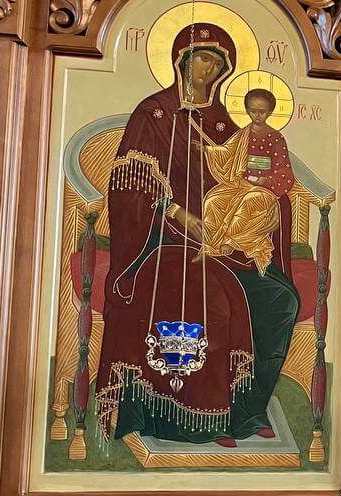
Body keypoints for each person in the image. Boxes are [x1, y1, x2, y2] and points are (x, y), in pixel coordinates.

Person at [95, 23, 300, 450]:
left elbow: (248, 178)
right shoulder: (153, 115)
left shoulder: (225, 125)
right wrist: (177, 213)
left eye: (217, 63)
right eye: (202, 58)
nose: (208, 69)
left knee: (280, 299)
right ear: (181, 60)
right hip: (161, 239)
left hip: (225, 239)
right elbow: (129, 188)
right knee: (215, 298)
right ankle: (198, 416)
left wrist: (256, 207)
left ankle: (247, 410)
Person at [195, 87, 295, 274]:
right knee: (213, 199)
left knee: (249, 202)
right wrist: (208, 150)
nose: (257, 115)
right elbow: (228, 152)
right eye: (253, 111)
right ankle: (210, 246)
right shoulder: (243, 134)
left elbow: (284, 172)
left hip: (264, 189)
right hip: (240, 184)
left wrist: (265, 180)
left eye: (262, 111)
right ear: (247, 110)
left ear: (270, 112)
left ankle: (230, 241)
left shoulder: (276, 138)